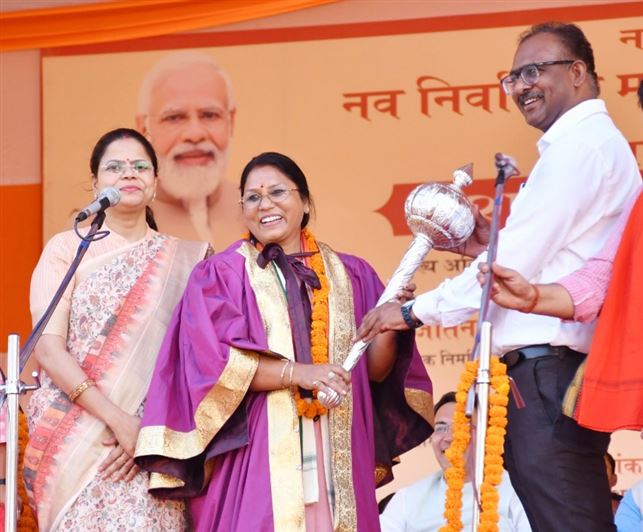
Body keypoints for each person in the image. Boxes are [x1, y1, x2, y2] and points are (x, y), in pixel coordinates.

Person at [356, 22, 641, 532]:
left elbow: (507, 273)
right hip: (543, 374)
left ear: (577, 73)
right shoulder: (579, 148)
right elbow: (535, 267)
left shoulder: (582, 148)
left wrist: (405, 313)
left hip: (549, 372)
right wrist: (487, 246)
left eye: (535, 71)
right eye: (513, 77)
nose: (522, 86)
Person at [135, 152, 433, 531]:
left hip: (336, 442)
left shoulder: (351, 274)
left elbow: (373, 371)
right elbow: (215, 364)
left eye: (278, 192)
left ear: (306, 202)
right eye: (253, 197)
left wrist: (390, 321)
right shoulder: (221, 276)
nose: (266, 205)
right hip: (259, 450)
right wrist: (300, 373)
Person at [24, 128, 210, 530]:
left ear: (155, 184)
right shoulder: (64, 250)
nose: (129, 173)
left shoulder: (190, 261)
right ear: (95, 183)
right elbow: (49, 349)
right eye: (115, 167)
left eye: (140, 166)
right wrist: (118, 421)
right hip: (74, 438)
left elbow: (196, 363)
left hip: (152, 440)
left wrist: (145, 431)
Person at [380, 391, 531, 532]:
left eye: (462, 427)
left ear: (486, 435)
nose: (449, 437)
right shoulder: (408, 499)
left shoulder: (516, 492)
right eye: (440, 428)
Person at [135, 50, 243, 246]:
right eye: (174, 118)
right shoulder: (109, 225)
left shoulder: (256, 210)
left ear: (231, 121)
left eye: (210, 115)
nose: (194, 134)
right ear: (144, 129)